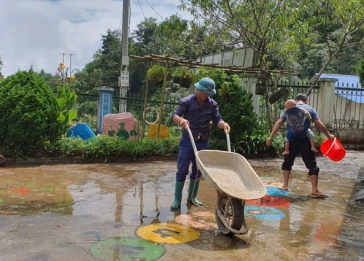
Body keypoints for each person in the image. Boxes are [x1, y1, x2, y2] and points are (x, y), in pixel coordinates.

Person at [170, 77, 230, 210]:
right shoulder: (186, 101)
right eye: (204, 92)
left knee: (198, 171)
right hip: (187, 140)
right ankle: (177, 199)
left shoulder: (212, 104)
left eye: (208, 93)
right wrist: (181, 121)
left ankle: (192, 197)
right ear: (198, 89)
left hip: (203, 142)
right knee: (182, 169)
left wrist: (223, 124)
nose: (206, 95)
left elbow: (217, 119)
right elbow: (174, 115)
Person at [266, 93, 335, 198]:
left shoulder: (288, 109)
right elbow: (320, 125)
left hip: (291, 140)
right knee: (312, 165)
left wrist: (270, 136)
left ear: (296, 100)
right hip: (306, 140)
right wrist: (329, 136)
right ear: (305, 101)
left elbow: (280, 121)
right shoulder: (310, 109)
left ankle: (285, 185)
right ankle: (315, 190)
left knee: (287, 162)